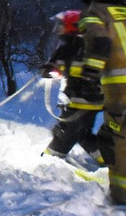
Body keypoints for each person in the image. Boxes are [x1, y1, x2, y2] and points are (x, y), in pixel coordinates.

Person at [74, 0, 126, 205]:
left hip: (120, 91)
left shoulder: (95, 12)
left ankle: (122, 199)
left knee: (118, 141)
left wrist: (90, 76)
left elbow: (101, 42)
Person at [41, 10, 104, 166]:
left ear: (72, 27)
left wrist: (49, 70)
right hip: (94, 102)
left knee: (66, 133)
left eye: (62, 25)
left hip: (78, 102)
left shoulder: (69, 47)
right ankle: (106, 158)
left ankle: (50, 161)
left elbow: (55, 66)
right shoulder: (95, 46)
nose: (59, 29)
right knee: (82, 133)